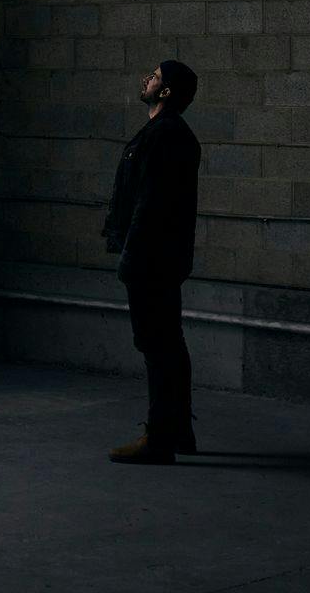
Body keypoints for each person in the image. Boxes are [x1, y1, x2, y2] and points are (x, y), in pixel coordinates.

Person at [103, 59, 201, 464]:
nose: (145, 78)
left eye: (155, 77)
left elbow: (150, 204)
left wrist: (131, 256)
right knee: (168, 344)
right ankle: (178, 432)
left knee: (157, 345)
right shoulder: (164, 133)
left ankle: (160, 439)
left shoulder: (166, 135)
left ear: (165, 92)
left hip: (150, 259)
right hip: (160, 257)